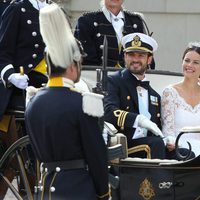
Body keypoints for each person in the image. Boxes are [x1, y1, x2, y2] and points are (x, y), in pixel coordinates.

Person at [25, 3, 109, 200]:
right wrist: (104, 193)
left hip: (47, 191)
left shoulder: (33, 102)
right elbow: (96, 157)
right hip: (79, 191)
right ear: (72, 65)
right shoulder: (83, 102)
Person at [104, 32, 165, 159]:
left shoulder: (155, 95)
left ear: (149, 59)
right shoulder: (114, 81)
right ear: (125, 57)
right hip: (122, 146)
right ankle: (157, 180)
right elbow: (109, 112)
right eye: (131, 54)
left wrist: (168, 139)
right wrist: (139, 120)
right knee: (155, 144)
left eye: (141, 55)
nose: (135, 59)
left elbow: (156, 128)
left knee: (185, 154)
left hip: (151, 145)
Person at [0, 0, 50, 123]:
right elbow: (3, 53)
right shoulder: (17, 9)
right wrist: (11, 75)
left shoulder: (54, 11)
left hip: (50, 80)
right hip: (22, 83)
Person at [74, 0, 155, 69]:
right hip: (98, 80)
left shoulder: (136, 21)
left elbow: (147, 59)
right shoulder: (86, 21)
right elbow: (84, 60)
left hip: (130, 81)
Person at [161, 42, 200, 159]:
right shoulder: (170, 93)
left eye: (196, 62)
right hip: (181, 153)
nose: (189, 65)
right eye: (187, 60)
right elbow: (168, 133)